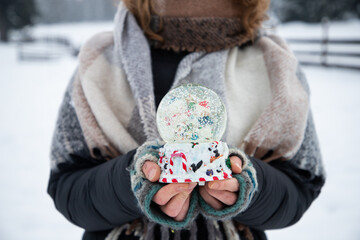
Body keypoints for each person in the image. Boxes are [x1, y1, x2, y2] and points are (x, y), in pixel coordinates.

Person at [47, 0, 326, 239]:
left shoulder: (276, 66)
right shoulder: (97, 62)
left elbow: (301, 186)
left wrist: (249, 186)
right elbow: (67, 186)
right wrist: (131, 183)